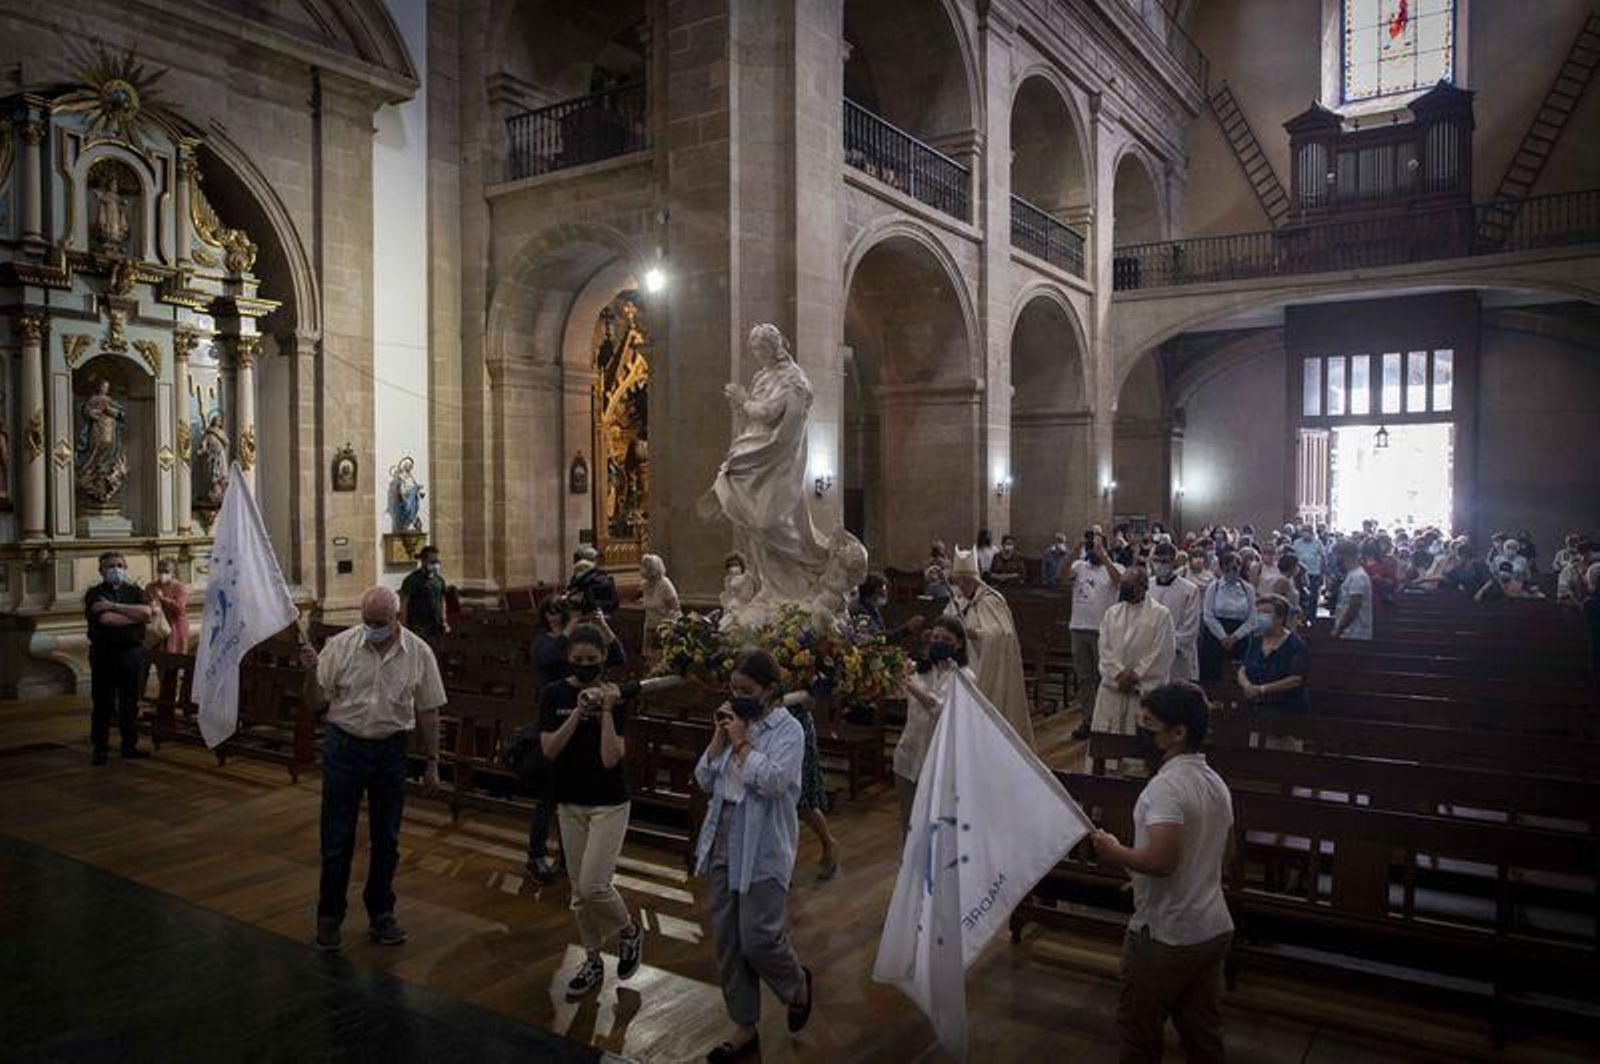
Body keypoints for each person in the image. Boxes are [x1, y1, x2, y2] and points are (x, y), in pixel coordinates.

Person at [1091, 682, 1234, 1064]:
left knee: (1139, 1033)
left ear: (1177, 732)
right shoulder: (1215, 781)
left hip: (1168, 935)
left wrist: (1116, 852)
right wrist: (1138, 875)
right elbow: (1213, 853)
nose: (1142, 731)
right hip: (1212, 926)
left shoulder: (1166, 788)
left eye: (1149, 724)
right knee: (1202, 1033)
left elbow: (1162, 861)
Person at [300, 587, 445, 951]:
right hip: (344, 746)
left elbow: (429, 709)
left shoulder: (418, 653)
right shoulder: (342, 645)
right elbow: (315, 702)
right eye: (366, 622)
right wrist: (310, 672)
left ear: (396, 618)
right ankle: (329, 917)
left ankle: (382, 913)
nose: (372, 628)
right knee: (336, 839)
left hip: (391, 750)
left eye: (379, 623)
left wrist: (432, 762)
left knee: (387, 839)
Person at [694, 649, 813, 1062]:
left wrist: (742, 743)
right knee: (729, 940)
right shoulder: (732, 725)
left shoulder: (788, 730)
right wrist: (720, 736)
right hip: (724, 834)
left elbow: (774, 782)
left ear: (770, 691)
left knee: (759, 938)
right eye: (733, 689)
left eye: (747, 691)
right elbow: (705, 779)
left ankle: (796, 982)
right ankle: (744, 1024)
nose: (737, 697)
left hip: (763, 841)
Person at [538, 624, 644, 998]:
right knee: (579, 895)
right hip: (570, 800)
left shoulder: (615, 696)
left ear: (602, 660)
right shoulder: (554, 694)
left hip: (609, 802)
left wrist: (606, 710)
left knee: (594, 885)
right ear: (569, 657)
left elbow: (610, 757)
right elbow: (550, 749)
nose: (585, 665)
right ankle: (593, 959)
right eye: (578, 659)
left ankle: (629, 932)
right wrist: (577, 713)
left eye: (592, 660)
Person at [946, 548, 1035, 748]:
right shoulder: (957, 601)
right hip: (961, 666)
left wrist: (976, 633)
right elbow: (945, 623)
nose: (959, 586)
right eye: (957, 581)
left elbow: (1003, 634)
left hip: (985, 667)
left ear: (972, 580)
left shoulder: (991, 601)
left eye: (962, 581)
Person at [895, 616, 973, 834]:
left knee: (936, 829)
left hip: (940, 762)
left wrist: (911, 686)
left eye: (946, 639)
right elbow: (893, 690)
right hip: (908, 757)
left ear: (958, 644)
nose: (939, 642)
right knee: (909, 828)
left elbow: (939, 708)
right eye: (936, 637)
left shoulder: (965, 677)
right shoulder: (918, 670)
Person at [1093, 567, 1176, 770]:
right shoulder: (1112, 613)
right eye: (1122, 585)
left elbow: (1161, 653)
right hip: (1113, 691)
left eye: (1128, 585)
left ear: (1143, 586)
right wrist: (1118, 675)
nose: (1124, 589)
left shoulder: (1161, 615)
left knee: (1139, 754)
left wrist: (1136, 676)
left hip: (1141, 694)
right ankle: (1103, 782)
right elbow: (1104, 650)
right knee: (1106, 745)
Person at [84, 551, 154, 765]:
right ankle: (100, 748)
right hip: (104, 654)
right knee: (103, 703)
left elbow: (147, 613)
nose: (116, 569)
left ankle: (128, 746)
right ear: (101, 570)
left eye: (120, 565)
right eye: (110, 566)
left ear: (125, 567)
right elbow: (108, 620)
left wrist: (114, 606)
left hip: (131, 653)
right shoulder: (94, 593)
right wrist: (133, 616)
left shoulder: (135, 591)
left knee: (130, 702)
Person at [1069, 530, 1122, 740]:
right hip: (1079, 628)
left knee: (1103, 678)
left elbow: (1119, 581)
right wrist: (1073, 552)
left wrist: (1104, 557)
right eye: (1091, 546)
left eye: (1097, 546)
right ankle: (1088, 719)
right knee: (1084, 678)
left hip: (1103, 631)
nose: (1093, 550)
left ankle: (1104, 720)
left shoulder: (1114, 567)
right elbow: (1062, 574)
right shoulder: (1079, 566)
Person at [1236, 594, 1309, 711]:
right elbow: (1243, 669)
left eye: (1265, 613)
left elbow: (1295, 679)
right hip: (1255, 703)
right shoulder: (1256, 640)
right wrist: (1248, 686)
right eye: (1258, 613)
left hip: (1285, 706)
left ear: (1280, 618)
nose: (1260, 617)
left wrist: (1262, 689)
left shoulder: (1295, 644)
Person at [1147, 543, 1201, 683]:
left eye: (1164, 561)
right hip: (1150, 657)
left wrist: (1164, 645)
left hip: (1179, 659)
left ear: (1174, 562)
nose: (1159, 565)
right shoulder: (1147, 586)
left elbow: (1189, 629)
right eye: (1156, 560)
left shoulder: (1190, 590)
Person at [1200, 551, 1255, 680]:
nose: (1231, 572)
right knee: (1212, 674)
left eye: (1235, 568)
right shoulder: (1213, 587)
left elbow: (1252, 619)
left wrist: (1235, 637)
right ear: (1222, 569)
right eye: (1227, 569)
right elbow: (1208, 615)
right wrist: (1223, 637)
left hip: (1240, 635)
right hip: (1216, 635)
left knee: (1240, 675)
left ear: (1240, 568)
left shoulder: (1248, 589)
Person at [638, 553, 682, 657]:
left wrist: (666, 628)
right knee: (648, 655)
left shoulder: (664, 584)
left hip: (667, 626)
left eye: (647, 567)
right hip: (650, 625)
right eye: (643, 565)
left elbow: (675, 608)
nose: (643, 569)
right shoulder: (644, 584)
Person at [399, 545, 447, 639]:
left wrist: (444, 620)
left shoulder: (439, 580)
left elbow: (442, 601)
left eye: (436, 561)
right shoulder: (412, 580)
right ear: (423, 561)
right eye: (432, 561)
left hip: (436, 625)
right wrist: (404, 625)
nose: (435, 564)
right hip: (418, 627)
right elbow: (404, 603)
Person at [144, 558, 190, 654]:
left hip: (175, 625)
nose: (162, 574)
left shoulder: (180, 587)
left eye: (166, 571)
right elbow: (144, 603)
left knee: (175, 656)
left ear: (173, 573)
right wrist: (151, 604)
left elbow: (180, 608)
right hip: (157, 627)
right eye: (160, 571)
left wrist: (163, 598)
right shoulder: (151, 587)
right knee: (158, 657)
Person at [1331, 540, 1373, 641]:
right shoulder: (1351, 574)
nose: (1335, 560)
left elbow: (1354, 606)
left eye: (1336, 556)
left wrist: (1340, 629)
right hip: (1349, 633)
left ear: (1344, 556)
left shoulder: (1359, 577)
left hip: (1355, 633)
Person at [567, 546, 620, 615]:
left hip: (597, 617)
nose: (575, 563)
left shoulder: (599, 578)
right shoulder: (577, 577)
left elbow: (608, 604)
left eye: (577, 560)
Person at [1558, 541, 1593, 609]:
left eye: (1588, 553)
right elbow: (1565, 593)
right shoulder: (1568, 570)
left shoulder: (1593, 568)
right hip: (1571, 607)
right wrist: (1579, 604)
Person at [923, 541, 953, 606]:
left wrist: (943, 567)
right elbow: (927, 576)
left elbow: (947, 575)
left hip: (942, 589)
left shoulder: (946, 562)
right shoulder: (929, 562)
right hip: (931, 588)